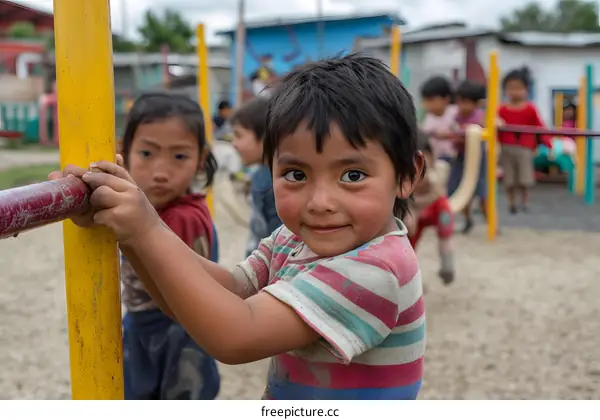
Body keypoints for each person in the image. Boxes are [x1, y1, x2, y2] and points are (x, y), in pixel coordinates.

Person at [49, 54, 426, 400]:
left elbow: (234, 336)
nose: (319, 202)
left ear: (408, 175)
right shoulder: (292, 238)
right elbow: (231, 290)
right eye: (296, 174)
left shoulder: (377, 269)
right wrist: (126, 231)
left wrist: (145, 230)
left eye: (353, 174)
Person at [107, 93, 221, 400]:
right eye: (146, 153)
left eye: (179, 157)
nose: (160, 172)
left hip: (173, 335)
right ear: (123, 150)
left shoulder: (181, 218)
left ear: (201, 158)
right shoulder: (152, 210)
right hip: (144, 325)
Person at [230, 97, 282, 256]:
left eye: (239, 135)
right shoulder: (261, 173)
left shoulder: (272, 181)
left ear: (264, 138)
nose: (234, 143)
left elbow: (277, 238)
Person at [498, 67, 552, 214]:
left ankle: (524, 202)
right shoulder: (501, 110)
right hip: (507, 147)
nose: (515, 92)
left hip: (525, 148)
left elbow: (540, 127)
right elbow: (493, 128)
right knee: (509, 178)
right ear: (505, 90)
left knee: (525, 177)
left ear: (526, 89)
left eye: (518, 88)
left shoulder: (530, 109)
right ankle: (511, 203)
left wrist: (548, 144)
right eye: (511, 88)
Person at [406, 131, 455, 285]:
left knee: (445, 234)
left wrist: (430, 180)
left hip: (436, 207)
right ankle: (411, 277)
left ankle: (447, 265)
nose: (419, 168)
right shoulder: (403, 177)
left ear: (432, 158)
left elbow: (438, 192)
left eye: (424, 161)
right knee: (408, 234)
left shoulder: (440, 170)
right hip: (413, 207)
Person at [447, 80, 487, 234]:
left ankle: (490, 221)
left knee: (482, 190)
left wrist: (460, 133)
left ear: (476, 103)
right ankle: (468, 219)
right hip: (461, 156)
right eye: (459, 102)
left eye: (466, 102)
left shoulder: (480, 116)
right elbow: (454, 131)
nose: (462, 106)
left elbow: (473, 131)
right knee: (458, 189)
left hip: (478, 158)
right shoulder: (457, 116)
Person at [419, 76, 459, 163]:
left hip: (456, 158)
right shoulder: (428, 120)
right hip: (438, 160)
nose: (427, 104)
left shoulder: (455, 114)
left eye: (431, 100)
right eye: (425, 100)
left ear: (446, 99)